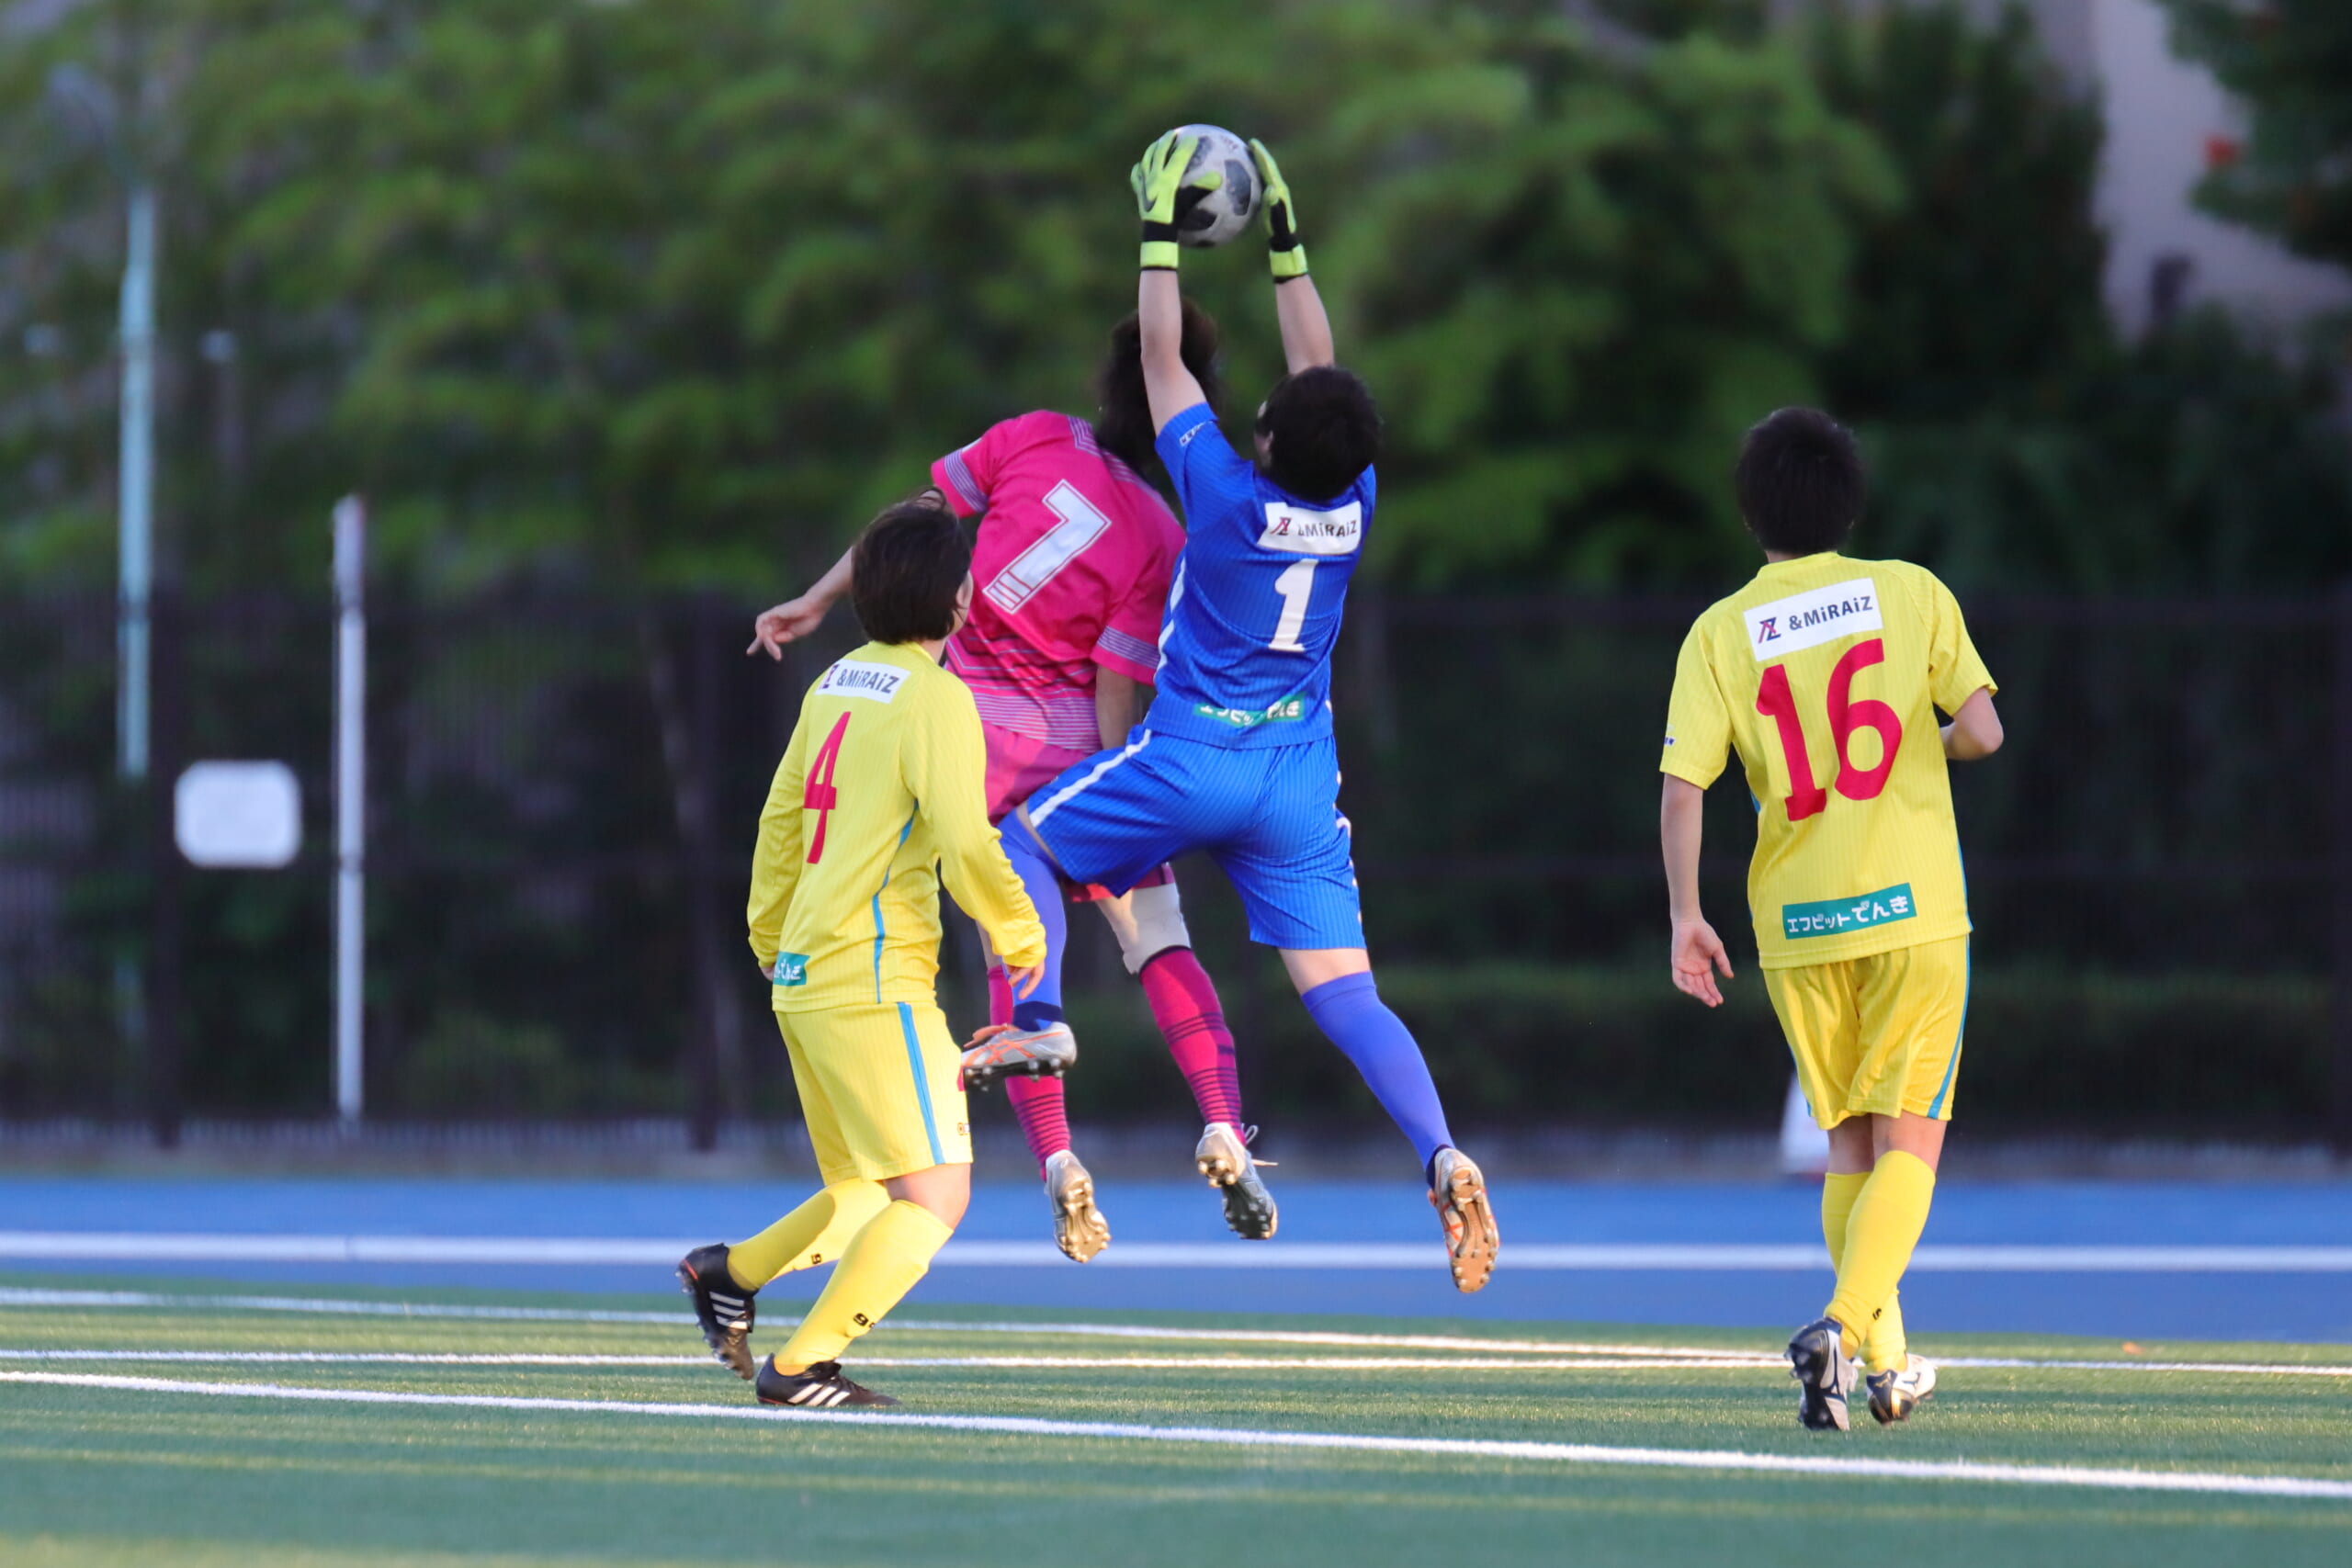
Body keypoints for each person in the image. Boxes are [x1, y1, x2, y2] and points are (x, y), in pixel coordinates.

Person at [974, 130, 1500, 1292]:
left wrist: (1158, 235)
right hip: (1296, 780)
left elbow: (1162, 356)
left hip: (1191, 758)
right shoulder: (1354, 501)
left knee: (1020, 843)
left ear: (1261, 439)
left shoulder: (1221, 495)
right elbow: (1321, 376)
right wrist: (1288, 246)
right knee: (1347, 993)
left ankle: (1042, 1013)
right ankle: (1442, 1150)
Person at [748, 308, 1271, 1261]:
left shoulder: (1032, 437)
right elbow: (1114, 691)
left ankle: (1057, 1159)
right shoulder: (1161, 534)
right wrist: (1122, 809)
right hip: (1069, 751)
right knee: (1158, 938)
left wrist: (819, 598)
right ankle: (1223, 1122)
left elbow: (912, 527)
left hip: (965, 735)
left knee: (1013, 943)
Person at [1657, 407, 2003, 1430]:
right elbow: (1983, 730)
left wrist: (1685, 913)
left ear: (1749, 512)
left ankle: (1887, 1368)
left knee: (1849, 1147)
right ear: (1849, 503)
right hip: (1912, 910)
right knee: (1911, 1145)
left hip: (1799, 924)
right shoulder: (1910, 593)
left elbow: (1683, 787)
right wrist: (1925, 747)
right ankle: (1842, 1330)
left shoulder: (1719, 631)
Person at [678, 500, 1046, 1409]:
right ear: (960, 600)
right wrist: (1020, 931)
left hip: (807, 977)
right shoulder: (936, 697)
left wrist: (771, 937)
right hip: (874, 985)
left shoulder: (836, 681)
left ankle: (729, 1275)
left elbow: (779, 820)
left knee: (867, 1191)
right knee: (936, 1196)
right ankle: (801, 1367)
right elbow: (965, 838)